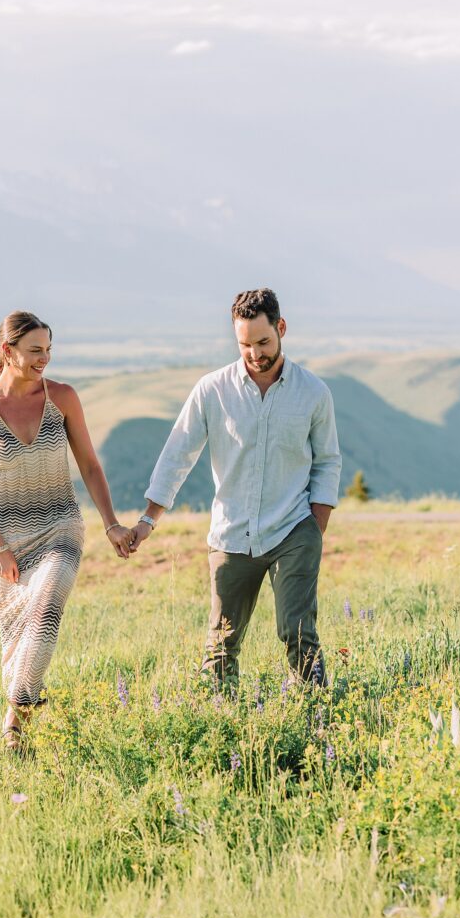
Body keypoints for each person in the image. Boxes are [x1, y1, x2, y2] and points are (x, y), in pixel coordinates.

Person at [130, 288, 341, 688]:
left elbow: (328, 461)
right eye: (244, 344)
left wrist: (316, 526)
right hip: (230, 535)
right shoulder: (212, 390)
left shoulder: (313, 393)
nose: (255, 354)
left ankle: (318, 718)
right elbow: (178, 455)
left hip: (294, 530)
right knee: (221, 642)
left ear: (281, 328)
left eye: (263, 342)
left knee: (299, 634)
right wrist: (147, 519)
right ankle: (219, 724)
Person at [0, 311, 133, 750]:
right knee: (18, 636)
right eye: (35, 350)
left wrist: (110, 522)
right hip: (6, 538)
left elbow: (91, 465)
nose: (45, 359)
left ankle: (14, 720)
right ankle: (28, 705)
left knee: (46, 610)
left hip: (60, 525)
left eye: (49, 349)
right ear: (6, 352)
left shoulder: (64, 398)